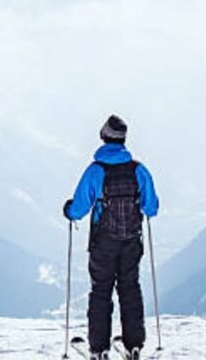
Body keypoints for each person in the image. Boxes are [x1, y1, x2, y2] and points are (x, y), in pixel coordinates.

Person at [63, 115, 159, 360]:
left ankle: (99, 349)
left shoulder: (96, 171)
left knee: (101, 292)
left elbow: (80, 208)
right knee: (130, 289)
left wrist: (68, 210)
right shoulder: (138, 170)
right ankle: (134, 344)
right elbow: (151, 208)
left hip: (103, 244)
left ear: (104, 138)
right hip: (131, 242)